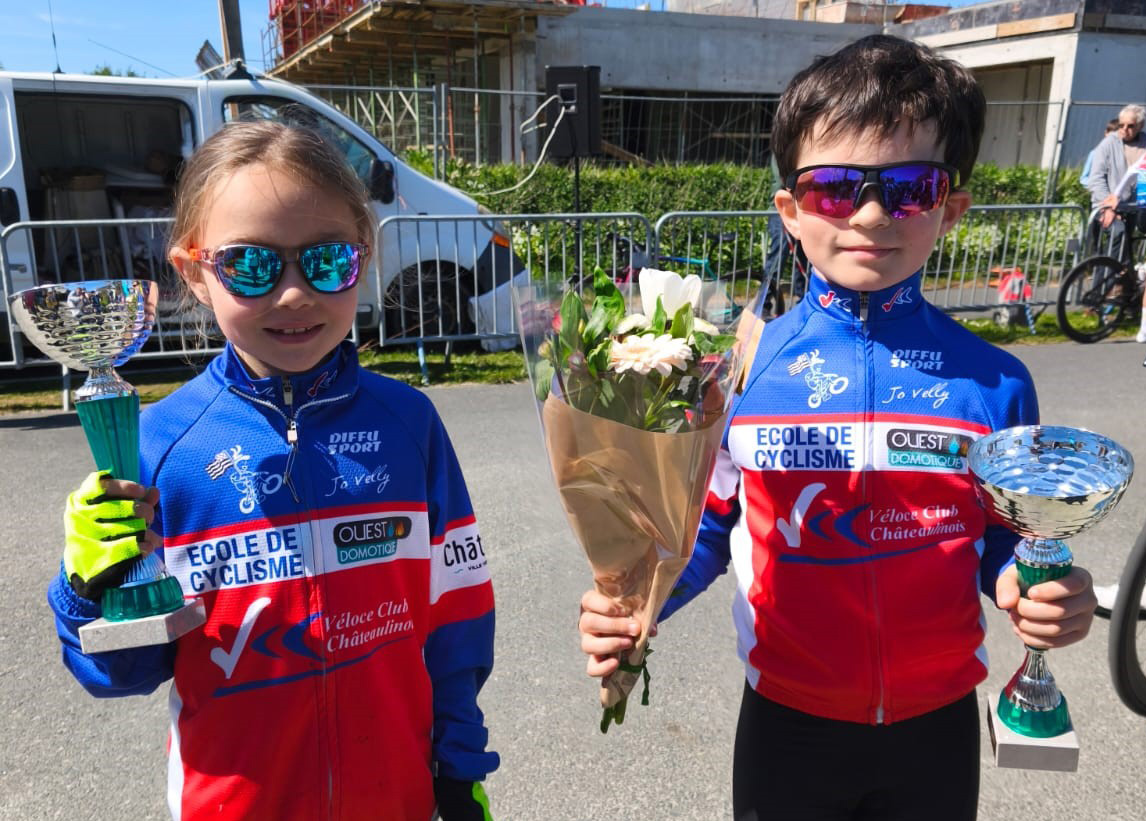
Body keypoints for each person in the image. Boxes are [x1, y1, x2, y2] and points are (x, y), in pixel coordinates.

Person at [578, 35, 1097, 821]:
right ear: (790, 211)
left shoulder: (996, 383)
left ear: (951, 208)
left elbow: (1004, 541)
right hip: (787, 727)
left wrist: (1040, 592)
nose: (871, 214)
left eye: (911, 187)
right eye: (833, 188)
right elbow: (705, 528)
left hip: (936, 728)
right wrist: (634, 604)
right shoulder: (737, 369)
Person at [49, 121, 498, 821]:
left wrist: (460, 771)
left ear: (364, 254)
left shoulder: (410, 423)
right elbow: (120, 672)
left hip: (398, 801)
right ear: (193, 272)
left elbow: (458, 619)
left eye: (327, 260)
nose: (293, 295)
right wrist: (87, 590)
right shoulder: (158, 447)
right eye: (251, 266)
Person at [1078, 118, 1119, 187]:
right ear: (1106, 133)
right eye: (1111, 136)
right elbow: (1083, 178)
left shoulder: (1123, 155)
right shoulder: (1094, 153)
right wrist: (1098, 185)